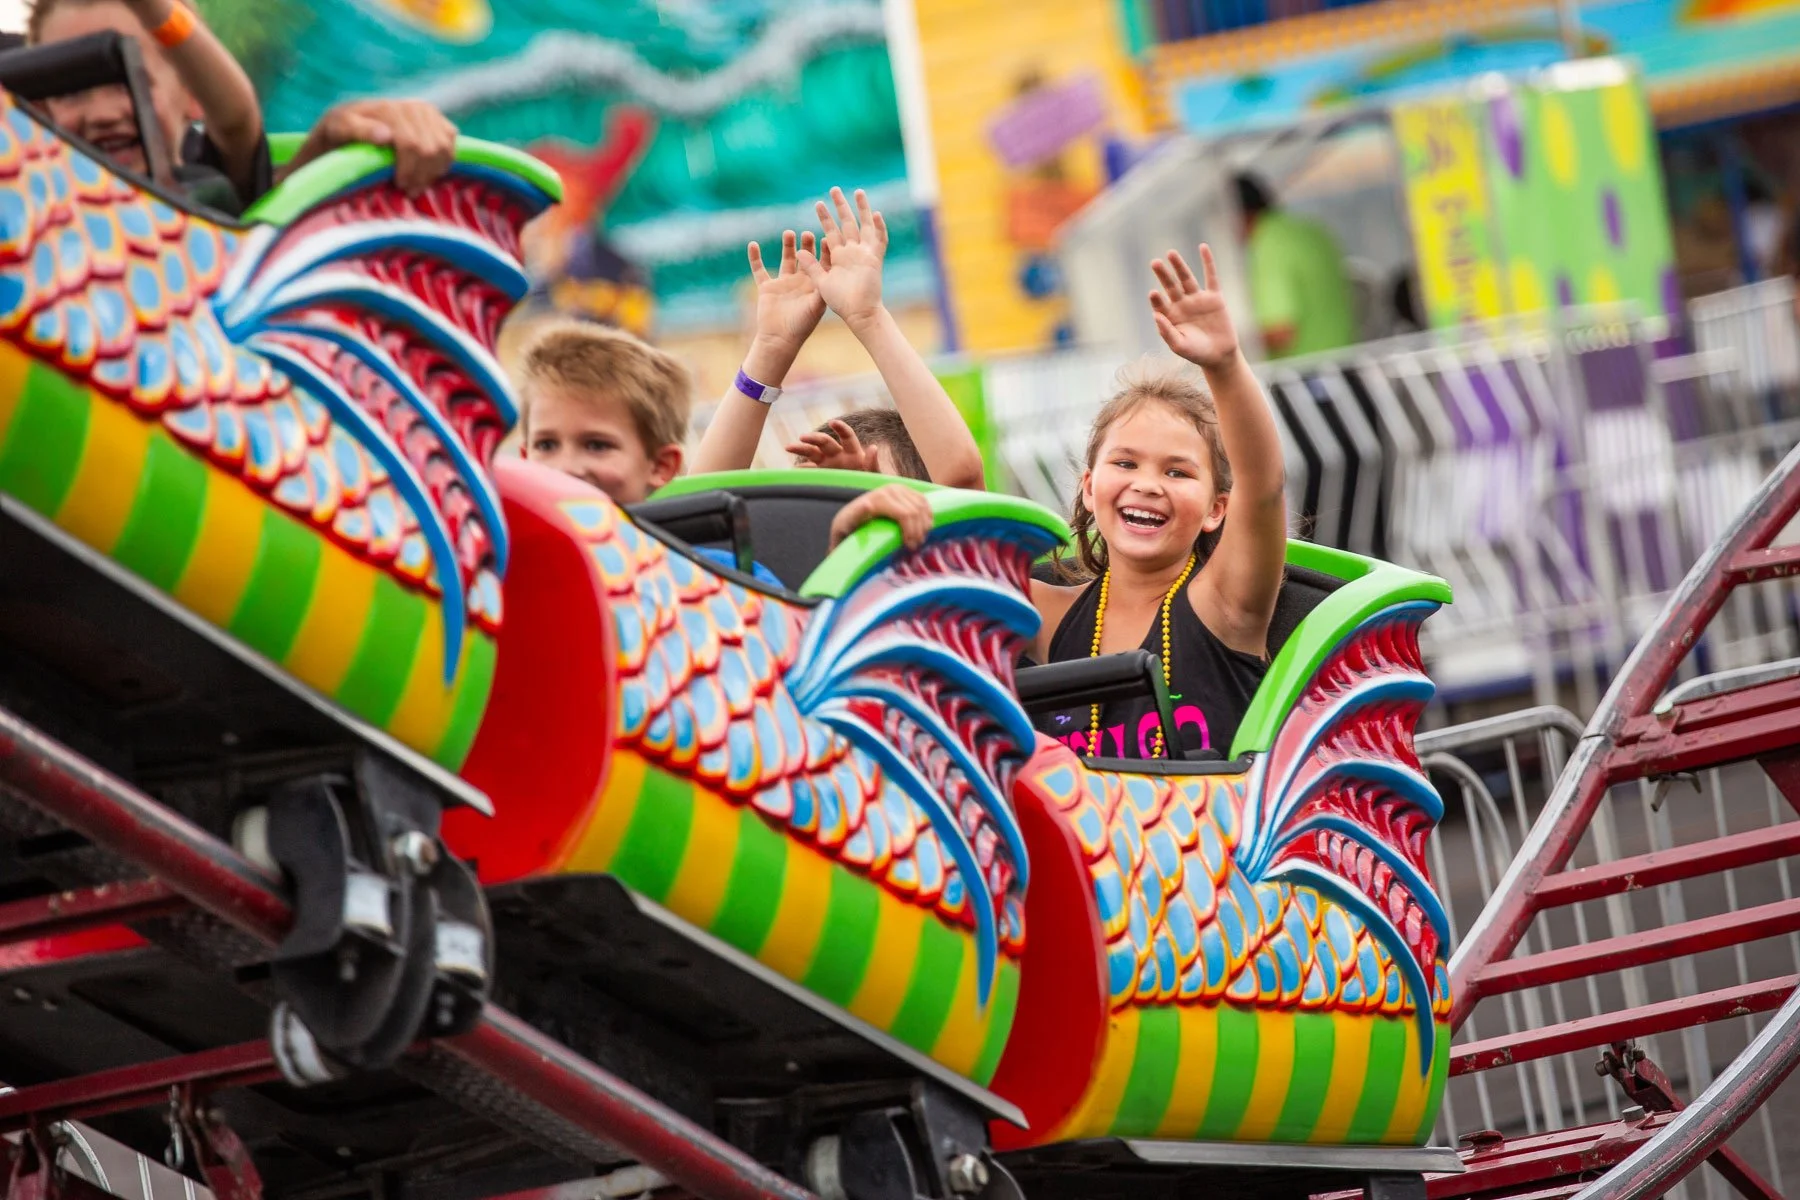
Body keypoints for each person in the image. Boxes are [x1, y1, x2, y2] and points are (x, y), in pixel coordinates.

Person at [1029, 244, 1287, 760]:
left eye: (1177, 471)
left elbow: (1263, 485)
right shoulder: (1049, 615)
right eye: (1125, 464)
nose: (1148, 484)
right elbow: (949, 525)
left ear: (1218, 509)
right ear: (1088, 485)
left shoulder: (1226, 605)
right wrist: (870, 318)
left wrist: (1226, 365)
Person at [516, 318, 932, 581]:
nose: (566, 467)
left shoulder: (715, 576)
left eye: (596, 445)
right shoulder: (498, 567)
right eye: (546, 444)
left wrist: (868, 317)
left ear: (662, 465)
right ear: (522, 456)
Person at [29, 0, 457, 213]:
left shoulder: (212, 180)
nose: (102, 112)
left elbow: (236, 118)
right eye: (71, 89)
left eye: (132, 82)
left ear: (194, 96)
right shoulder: (34, 203)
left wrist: (156, 10)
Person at [690, 187, 984, 491]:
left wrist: (869, 317)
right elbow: (701, 505)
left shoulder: (945, 537)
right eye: (823, 494)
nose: (856, 504)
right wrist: (769, 350)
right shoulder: (810, 539)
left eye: (869, 481)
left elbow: (960, 477)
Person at [1236, 173, 1357, 360]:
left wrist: (1229, 344)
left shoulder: (1268, 244)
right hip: (1344, 365)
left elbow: (1281, 332)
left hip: (1305, 376)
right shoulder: (1309, 231)